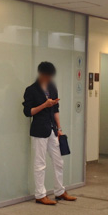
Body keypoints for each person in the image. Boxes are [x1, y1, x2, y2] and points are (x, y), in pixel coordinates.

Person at [23, 62, 77, 205]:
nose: (49, 78)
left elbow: (56, 110)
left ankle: (60, 191)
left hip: (52, 129)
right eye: (46, 75)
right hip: (39, 130)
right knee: (40, 163)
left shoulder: (52, 87)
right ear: (41, 74)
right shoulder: (31, 90)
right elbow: (28, 112)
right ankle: (40, 195)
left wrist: (59, 129)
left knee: (59, 161)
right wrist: (44, 105)